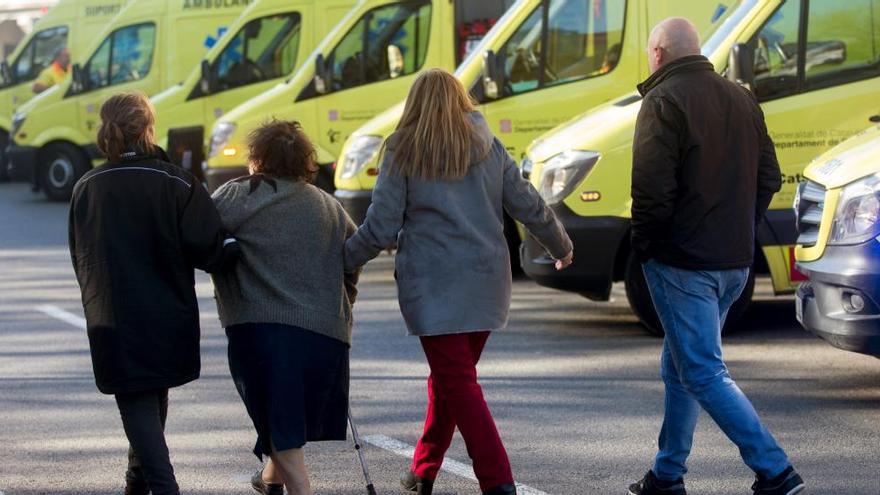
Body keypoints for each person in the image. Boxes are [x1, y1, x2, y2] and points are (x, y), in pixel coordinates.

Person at [344, 68, 573, 495]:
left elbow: (380, 228)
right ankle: (424, 469)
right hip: (487, 283)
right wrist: (560, 245)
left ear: (414, 105)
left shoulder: (402, 149)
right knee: (451, 377)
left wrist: (343, 260)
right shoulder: (488, 146)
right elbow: (527, 203)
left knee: (457, 381)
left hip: (433, 288)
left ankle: (497, 479)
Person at [627, 18, 805, 495]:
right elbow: (770, 176)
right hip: (735, 261)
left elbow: (650, 191)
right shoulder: (741, 96)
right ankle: (666, 476)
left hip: (683, 262)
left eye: (648, 53)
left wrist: (643, 249)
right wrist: (737, 227)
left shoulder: (662, 100)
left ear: (660, 53)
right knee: (683, 364)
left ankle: (775, 470)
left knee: (703, 370)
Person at [68, 91, 239, 495]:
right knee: (150, 392)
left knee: (141, 393)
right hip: (166, 308)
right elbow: (210, 249)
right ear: (148, 129)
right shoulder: (175, 180)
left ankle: (139, 479)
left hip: (111, 311)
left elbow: (80, 254)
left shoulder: (87, 186)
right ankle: (160, 485)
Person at [211, 120, 361, 495]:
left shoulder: (238, 195)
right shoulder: (328, 205)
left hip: (262, 333)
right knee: (284, 427)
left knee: (284, 435)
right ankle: (267, 481)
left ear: (257, 158)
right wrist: (341, 304)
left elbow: (199, 235)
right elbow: (352, 257)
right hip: (326, 337)